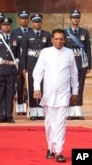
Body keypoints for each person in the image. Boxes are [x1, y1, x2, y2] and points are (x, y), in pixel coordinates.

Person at [33, 29, 79, 163]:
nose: (59, 41)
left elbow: (73, 74)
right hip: (48, 93)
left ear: (65, 40)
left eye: (61, 39)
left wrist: (75, 92)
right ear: (52, 39)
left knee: (61, 123)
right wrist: (36, 89)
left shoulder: (69, 53)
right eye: (56, 39)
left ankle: (59, 150)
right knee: (49, 123)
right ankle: (50, 147)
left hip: (64, 94)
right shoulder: (45, 52)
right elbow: (38, 72)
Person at [0, 17, 20, 123]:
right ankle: (0, 115)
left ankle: (9, 115)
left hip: (11, 69)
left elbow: (18, 55)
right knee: (0, 93)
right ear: (1, 26)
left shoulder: (15, 38)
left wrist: (18, 70)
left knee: (10, 93)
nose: (7, 26)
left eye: (8, 24)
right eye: (4, 24)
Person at [21, 14, 52, 120]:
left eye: (39, 21)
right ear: (32, 23)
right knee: (32, 87)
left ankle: (41, 109)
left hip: (44, 66)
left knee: (43, 87)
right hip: (31, 65)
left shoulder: (47, 35)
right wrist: (23, 67)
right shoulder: (27, 35)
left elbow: (49, 52)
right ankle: (33, 110)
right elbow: (24, 53)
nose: (37, 23)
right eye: (35, 22)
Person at [65, 10, 91, 120]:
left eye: (77, 17)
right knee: (70, 87)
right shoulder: (65, 33)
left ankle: (78, 110)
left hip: (81, 63)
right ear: (70, 19)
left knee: (80, 87)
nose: (75, 19)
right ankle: (70, 111)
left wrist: (89, 65)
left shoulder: (84, 32)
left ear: (79, 19)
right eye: (73, 17)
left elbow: (88, 49)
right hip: (70, 64)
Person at [11, 10, 32, 116]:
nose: (24, 20)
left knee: (31, 85)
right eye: (22, 18)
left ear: (28, 19)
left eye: (26, 18)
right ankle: (20, 106)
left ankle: (32, 107)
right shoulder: (14, 33)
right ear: (19, 20)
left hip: (30, 62)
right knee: (19, 86)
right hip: (18, 62)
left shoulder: (32, 32)